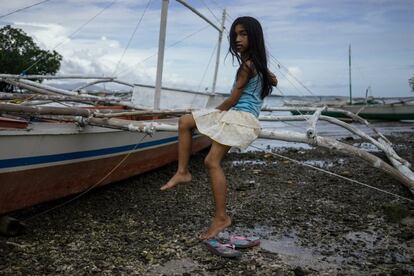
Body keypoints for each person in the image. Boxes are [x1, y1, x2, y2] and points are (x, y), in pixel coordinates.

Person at [160, 16, 277, 240]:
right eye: (235, 35)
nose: (238, 39)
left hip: (240, 117)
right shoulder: (259, 66)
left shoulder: (247, 66)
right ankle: (182, 172)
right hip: (241, 116)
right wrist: (271, 78)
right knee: (185, 121)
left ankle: (221, 217)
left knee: (211, 161)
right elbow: (274, 80)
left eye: (243, 34)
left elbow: (232, 100)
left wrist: (213, 113)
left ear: (255, 36)